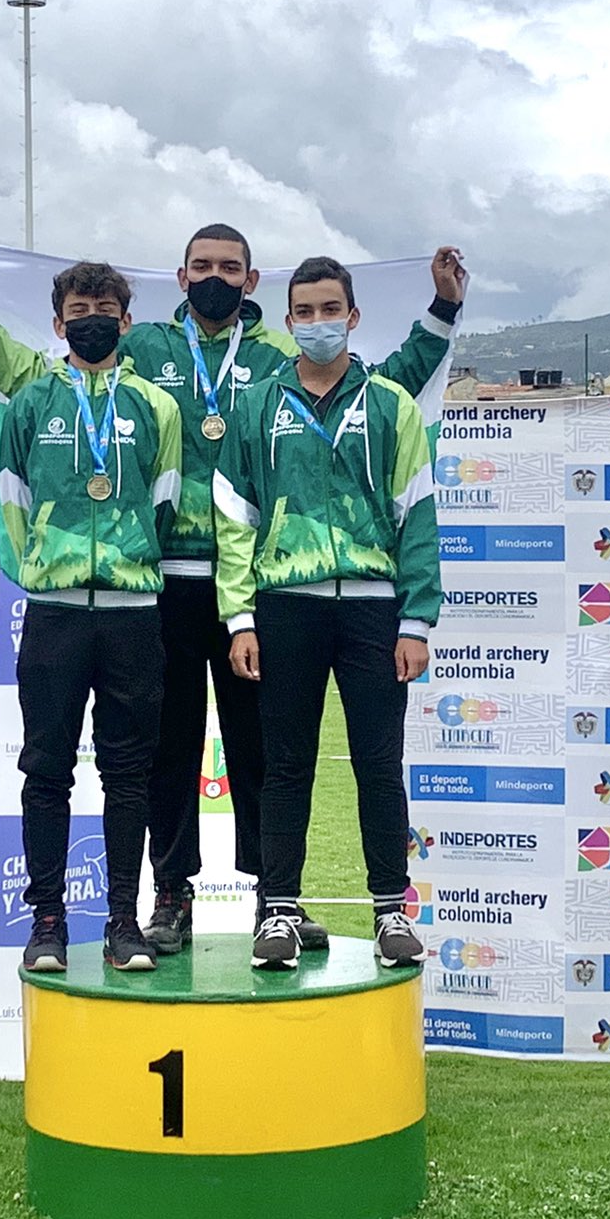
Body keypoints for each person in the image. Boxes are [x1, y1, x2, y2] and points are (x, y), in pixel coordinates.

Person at [0, 230, 465, 953]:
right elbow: (29, 369)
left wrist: (440, 309)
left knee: (262, 748)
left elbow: (387, 375)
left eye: (230, 268)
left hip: (257, 588)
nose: (215, 278)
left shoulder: (281, 355)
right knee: (167, 748)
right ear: (181, 277)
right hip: (168, 584)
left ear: (251, 280)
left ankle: (270, 897)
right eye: (203, 267)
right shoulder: (144, 348)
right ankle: (172, 894)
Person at [213, 256, 441, 971]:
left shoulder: (391, 407)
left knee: (380, 764)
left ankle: (390, 912)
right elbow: (234, 518)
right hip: (285, 606)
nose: (318, 323)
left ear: (354, 316)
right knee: (284, 766)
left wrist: (416, 621)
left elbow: (418, 517)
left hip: (374, 610)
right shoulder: (258, 407)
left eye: (330, 309)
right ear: (287, 322)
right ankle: (277, 909)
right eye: (305, 312)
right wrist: (239, 617)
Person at [0, 262, 183, 971]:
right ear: (58, 322)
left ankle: (123, 923)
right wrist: (47, 565)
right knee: (46, 770)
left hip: (134, 612)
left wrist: (128, 559)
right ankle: (47, 923)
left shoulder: (154, 407)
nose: (93, 316)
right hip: (55, 612)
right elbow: (11, 501)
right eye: (80, 307)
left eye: (106, 306)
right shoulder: (30, 405)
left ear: (126, 320)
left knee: (128, 773)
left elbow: (161, 504)